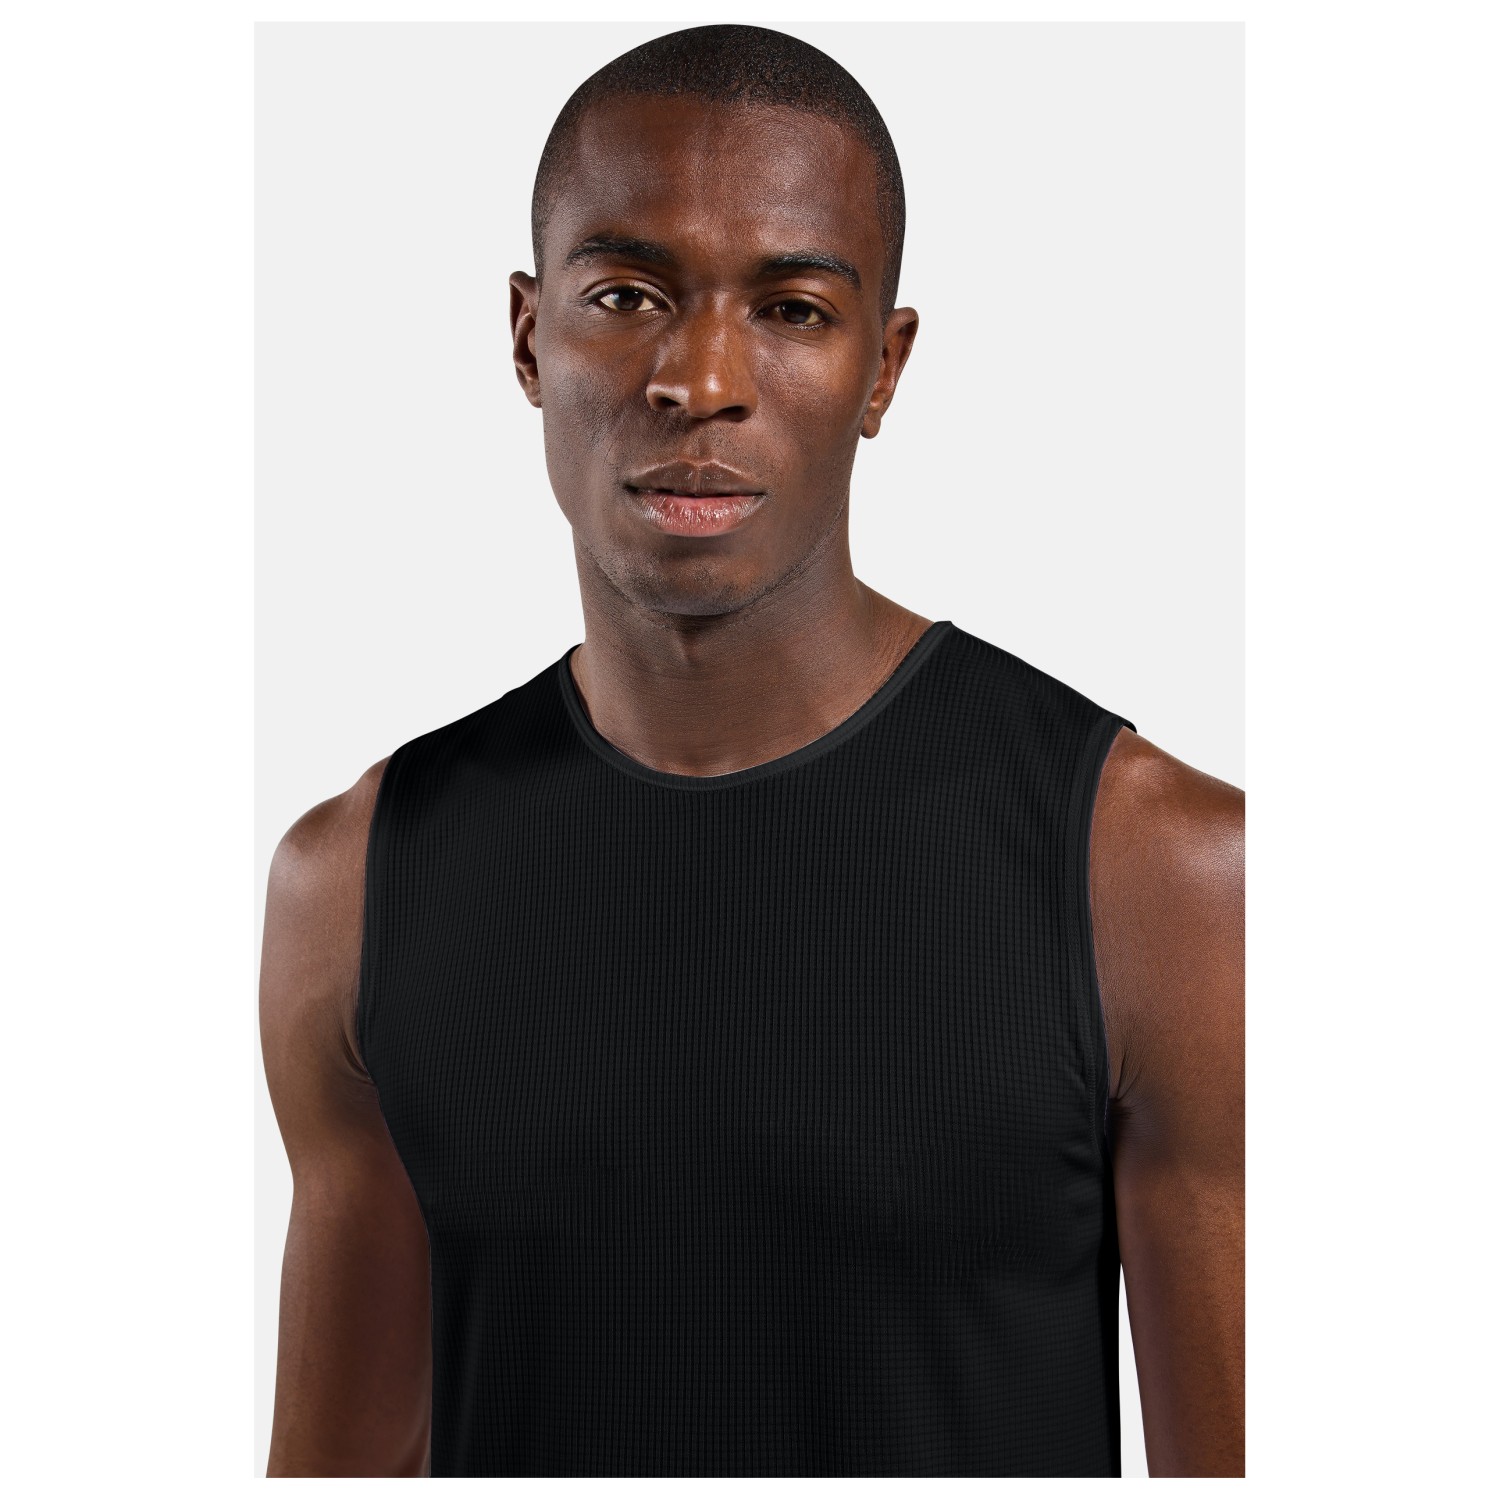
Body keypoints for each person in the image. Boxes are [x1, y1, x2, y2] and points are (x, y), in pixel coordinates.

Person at [260, 23, 1243, 1478]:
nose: (699, 378)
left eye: (790, 308)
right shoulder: (353, 882)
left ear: (883, 368)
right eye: (627, 295)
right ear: (528, 337)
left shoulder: (1157, 871)